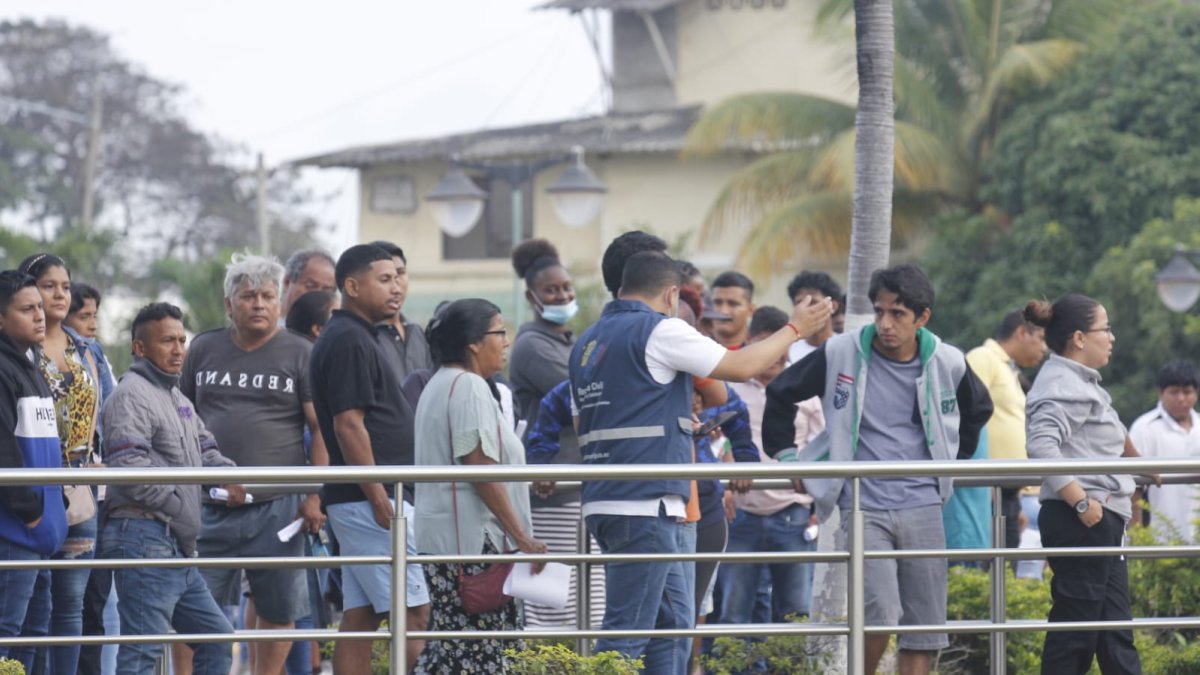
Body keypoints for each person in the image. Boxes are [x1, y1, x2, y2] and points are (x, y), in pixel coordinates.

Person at [570, 249, 831, 674]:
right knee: (627, 633)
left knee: (673, 625)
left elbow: (586, 419)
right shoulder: (659, 329)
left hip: (614, 500)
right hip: (645, 504)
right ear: (672, 294)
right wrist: (796, 328)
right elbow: (740, 365)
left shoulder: (589, 340)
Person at [763, 263, 993, 675]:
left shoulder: (947, 360)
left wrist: (951, 464)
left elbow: (978, 409)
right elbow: (781, 392)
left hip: (923, 503)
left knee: (923, 625)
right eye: (879, 311)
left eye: (898, 314)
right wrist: (786, 457)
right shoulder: (841, 351)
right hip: (862, 503)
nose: (885, 323)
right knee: (881, 611)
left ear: (922, 318)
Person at [179, 253, 327, 675]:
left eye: (266, 296)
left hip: (279, 505)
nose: (258, 304)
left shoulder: (301, 352)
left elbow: (320, 430)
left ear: (279, 303)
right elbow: (180, 419)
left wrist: (316, 494)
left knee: (278, 609)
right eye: (247, 296)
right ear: (230, 305)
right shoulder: (203, 348)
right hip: (209, 504)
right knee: (192, 607)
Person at [99, 302, 243, 675]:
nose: (178, 349)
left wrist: (235, 476)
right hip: (145, 536)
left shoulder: (176, 397)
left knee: (217, 637)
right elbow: (128, 468)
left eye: (182, 340)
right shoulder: (132, 394)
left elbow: (206, 448)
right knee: (142, 653)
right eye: (167, 341)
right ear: (140, 348)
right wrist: (180, 506)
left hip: (172, 542)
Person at [309, 244, 430, 674]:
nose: (396, 287)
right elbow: (348, 425)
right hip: (371, 504)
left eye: (399, 276)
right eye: (384, 279)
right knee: (414, 614)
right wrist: (380, 498)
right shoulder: (348, 341)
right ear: (352, 286)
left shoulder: (355, 336)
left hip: (363, 501)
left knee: (361, 618)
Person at [412, 298, 546, 673]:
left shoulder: (440, 383)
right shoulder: (468, 386)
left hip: (447, 546)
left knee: (452, 653)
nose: (506, 342)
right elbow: (479, 466)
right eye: (499, 331)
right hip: (473, 546)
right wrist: (522, 537)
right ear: (473, 342)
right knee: (482, 657)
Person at [1024, 295, 1146, 674]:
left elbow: (1108, 427)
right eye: (1105, 329)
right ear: (1079, 338)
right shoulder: (1062, 383)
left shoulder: (1079, 382)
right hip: (1083, 519)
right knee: (1075, 633)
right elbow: (1041, 446)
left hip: (1099, 517)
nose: (1111, 337)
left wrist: (1145, 467)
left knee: (1113, 633)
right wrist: (1080, 502)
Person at [18, 253, 103, 675]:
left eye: (65, 286)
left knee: (71, 603)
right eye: (49, 286)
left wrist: (98, 456)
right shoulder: (19, 349)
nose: (58, 295)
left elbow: (100, 410)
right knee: (35, 599)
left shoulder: (85, 348)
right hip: (38, 485)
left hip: (82, 488)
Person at [722, 306, 823, 628]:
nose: (777, 354)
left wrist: (819, 501)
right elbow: (712, 438)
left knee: (795, 612)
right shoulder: (729, 388)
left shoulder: (806, 388)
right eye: (769, 344)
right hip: (740, 514)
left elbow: (823, 447)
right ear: (751, 342)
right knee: (733, 613)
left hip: (793, 513)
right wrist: (727, 467)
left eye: (783, 345)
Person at [507, 238, 589, 628]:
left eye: (567, 288)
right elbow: (588, 394)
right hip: (551, 488)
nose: (562, 295)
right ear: (531, 295)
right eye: (551, 290)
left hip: (578, 488)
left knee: (589, 602)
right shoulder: (533, 346)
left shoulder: (568, 342)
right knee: (555, 607)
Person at [0, 270, 67, 672]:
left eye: (40, 308)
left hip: (38, 535)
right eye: (27, 310)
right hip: (14, 533)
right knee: (7, 634)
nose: (40, 316)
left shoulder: (31, 367)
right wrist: (31, 510)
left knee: (34, 635)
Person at [966, 309, 1048, 549]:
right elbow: (967, 417)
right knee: (988, 573)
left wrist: (1018, 500)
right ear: (1022, 333)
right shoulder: (983, 358)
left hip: (1008, 492)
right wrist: (984, 487)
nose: (1045, 348)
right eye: (1041, 338)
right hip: (987, 489)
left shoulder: (1009, 370)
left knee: (1005, 574)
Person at [1130, 361, 1200, 542]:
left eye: (1187, 392)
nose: (1181, 398)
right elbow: (1133, 488)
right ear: (1161, 393)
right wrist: (1138, 537)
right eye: (1174, 392)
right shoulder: (1144, 428)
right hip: (1159, 538)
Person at [368, 241, 434, 382]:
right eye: (386, 278)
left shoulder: (416, 332)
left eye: (400, 273)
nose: (396, 284)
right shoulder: (364, 336)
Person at [785, 271, 842, 365]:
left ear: (833, 306)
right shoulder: (787, 351)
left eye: (814, 302)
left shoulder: (846, 347)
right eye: (800, 303)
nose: (807, 309)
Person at [281, 250, 336, 317]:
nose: (317, 297)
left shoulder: (336, 326)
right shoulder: (268, 325)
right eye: (311, 286)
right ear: (287, 282)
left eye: (325, 292)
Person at [709, 271, 756, 348]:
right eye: (717, 302)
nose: (724, 311)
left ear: (751, 310)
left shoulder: (762, 353)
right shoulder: (694, 350)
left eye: (733, 304)